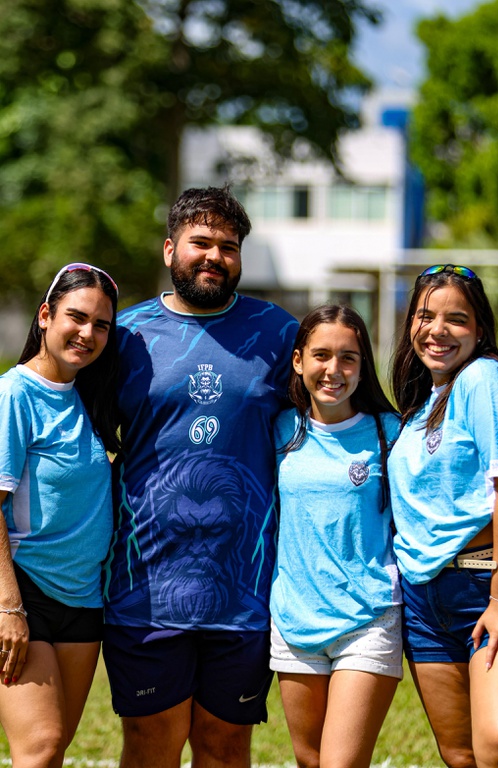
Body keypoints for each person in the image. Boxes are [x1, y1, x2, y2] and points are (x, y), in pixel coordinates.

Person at [102, 186, 299, 768]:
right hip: (143, 588)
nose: (215, 256)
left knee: (225, 747)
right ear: (170, 249)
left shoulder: (279, 334)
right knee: (150, 747)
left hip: (245, 589)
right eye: (201, 242)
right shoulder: (126, 335)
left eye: (229, 247)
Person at [389, 264, 498, 768]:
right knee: (459, 755)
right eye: (426, 316)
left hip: (483, 587)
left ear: (479, 330)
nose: (437, 330)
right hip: (422, 598)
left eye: (456, 319)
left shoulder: (485, 378)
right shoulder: (420, 405)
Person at [270, 304, 403, 768]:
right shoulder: (279, 429)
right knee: (309, 759)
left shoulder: (389, 433)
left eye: (348, 358)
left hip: (368, 618)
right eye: (321, 355)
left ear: (363, 366)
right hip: (294, 619)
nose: (334, 370)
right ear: (298, 361)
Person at [0, 262, 120, 768]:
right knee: (42, 746)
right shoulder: (14, 394)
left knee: (54, 752)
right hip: (25, 593)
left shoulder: (90, 398)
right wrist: (8, 608)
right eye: (77, 317)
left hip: (84, 599)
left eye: (101, 325)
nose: (88, 333)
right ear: (46, 315)